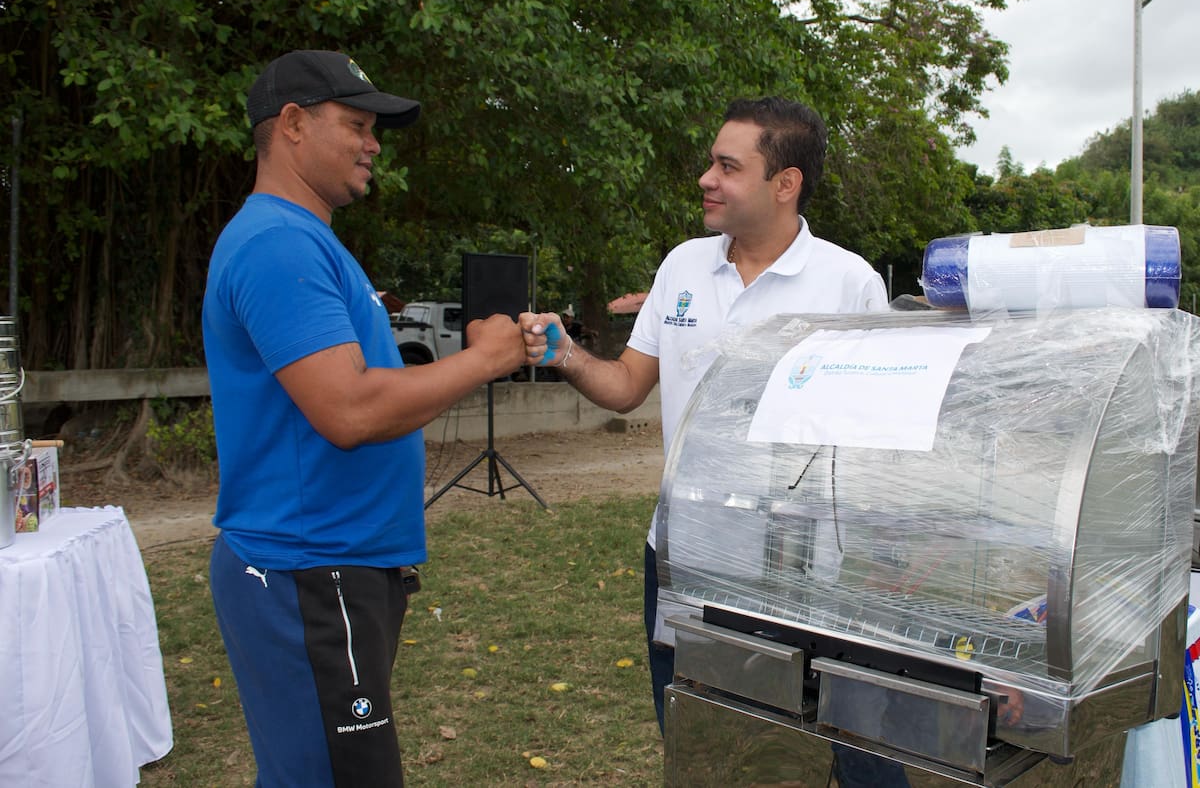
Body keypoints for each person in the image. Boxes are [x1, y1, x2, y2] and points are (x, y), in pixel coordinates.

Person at [202, 49, 546, 787]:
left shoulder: (305, 238)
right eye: (356, 124)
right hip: (310, 572)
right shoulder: (278, 245)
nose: (373, 143)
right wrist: (484, 359)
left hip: (330, 569)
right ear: (291, 125)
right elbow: (351, 409)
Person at [524, 97, 888, 734]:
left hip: (796, 572)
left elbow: (874, 442)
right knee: (693, 735)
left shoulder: (848, 284)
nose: (706, 179)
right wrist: (569, 356)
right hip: (681, 552)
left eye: (727, 166)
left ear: (785, 184)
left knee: (800, 748)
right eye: (710, 163)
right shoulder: (683, 265)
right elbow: (628, 385)